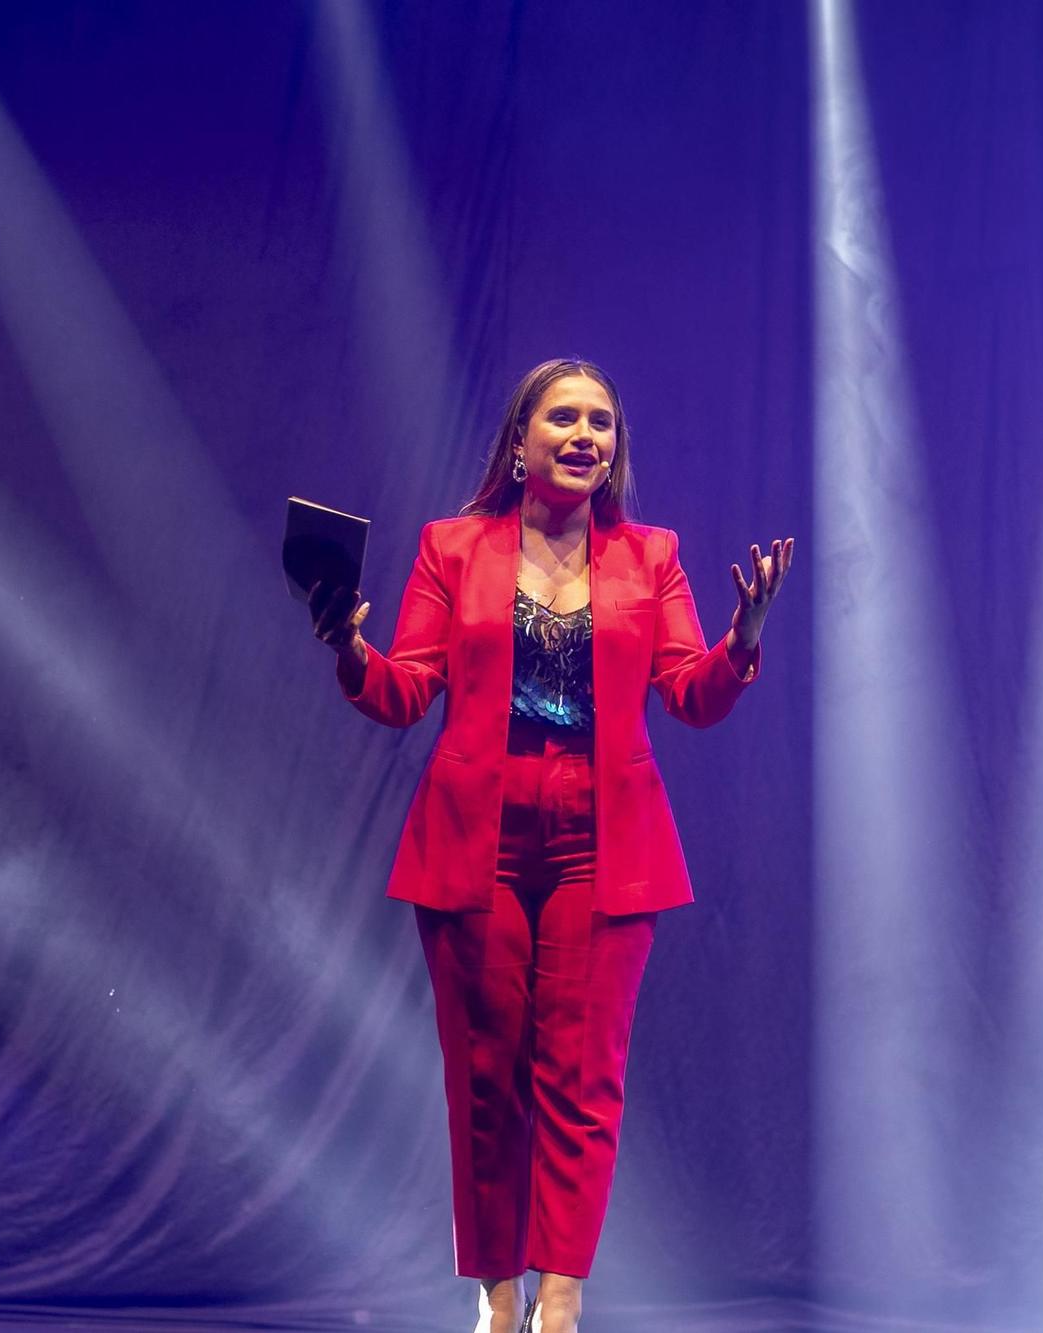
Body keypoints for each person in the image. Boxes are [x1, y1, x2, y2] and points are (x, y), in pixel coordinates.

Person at [306, 359, 793, 1333]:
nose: (586, 436)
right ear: (519, 442)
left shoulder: (649, 556)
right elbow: (405, 689)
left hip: (601, 842)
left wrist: (741, 640)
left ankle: (558, 1300)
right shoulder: (454, 547)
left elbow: (689, 696)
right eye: (563, 418)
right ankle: (494, 1298)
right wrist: (349, 650)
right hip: (475, 837)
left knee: (579, 1077)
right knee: (486, 1077)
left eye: (602, 423)